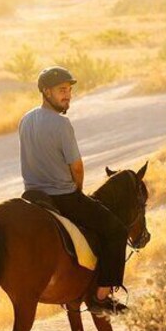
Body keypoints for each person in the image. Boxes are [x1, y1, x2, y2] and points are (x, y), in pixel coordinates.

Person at [19, 66, 129, 316]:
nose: (67, 95)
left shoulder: (25, 120)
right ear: (46, 92)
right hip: (62, 197)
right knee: (116, 230)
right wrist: (78, 192)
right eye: (61, 90)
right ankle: (102, 295)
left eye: (69, 90)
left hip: (32, 196)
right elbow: (76, 167)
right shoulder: (61, 124)